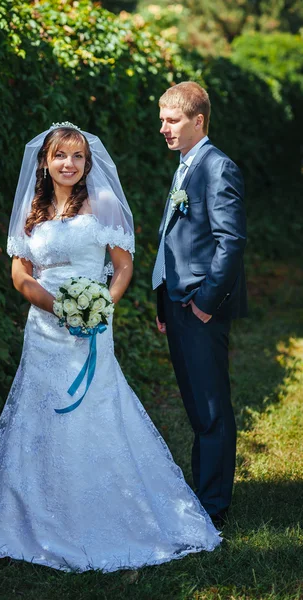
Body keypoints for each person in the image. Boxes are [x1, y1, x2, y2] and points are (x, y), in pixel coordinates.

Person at [0, 122, 221, 572]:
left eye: (77, 157)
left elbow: (123, 267)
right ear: (45, 161)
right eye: (61, 156)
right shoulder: (31, 210)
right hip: (43, 328)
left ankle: (107, 513)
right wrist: (58, 308)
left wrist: (98, 309)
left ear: (87, 163)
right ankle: (32, 513)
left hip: (91, 329)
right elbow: (21, 275)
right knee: (39, 410)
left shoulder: (104, 204)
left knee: (96, 411)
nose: (69, 164)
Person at [152, 82, 248, 528]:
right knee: (195, 405)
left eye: (172, 121)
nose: (163, 129)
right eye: (162, 120)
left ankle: (213, 507)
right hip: (177, 303)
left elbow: (230, 243)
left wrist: (206, 303)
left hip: (200, 305)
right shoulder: (185, 165)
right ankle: (204, 491)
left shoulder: (217, 167)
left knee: (211, 408)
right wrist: (163, 303)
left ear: (199, 121)